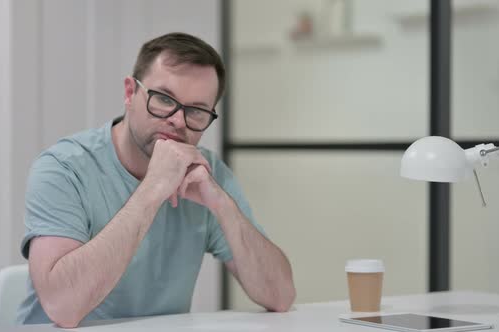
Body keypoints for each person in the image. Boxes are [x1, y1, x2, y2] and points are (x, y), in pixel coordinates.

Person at [16, 32, 296, 328]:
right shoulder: (63, 169)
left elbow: (280, 296)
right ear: (129, 93)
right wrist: (152, 189)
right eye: (164, 99)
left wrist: (222, 205)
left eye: (197, 111)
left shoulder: (207, 172)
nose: (177, 120)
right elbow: (62, 308)